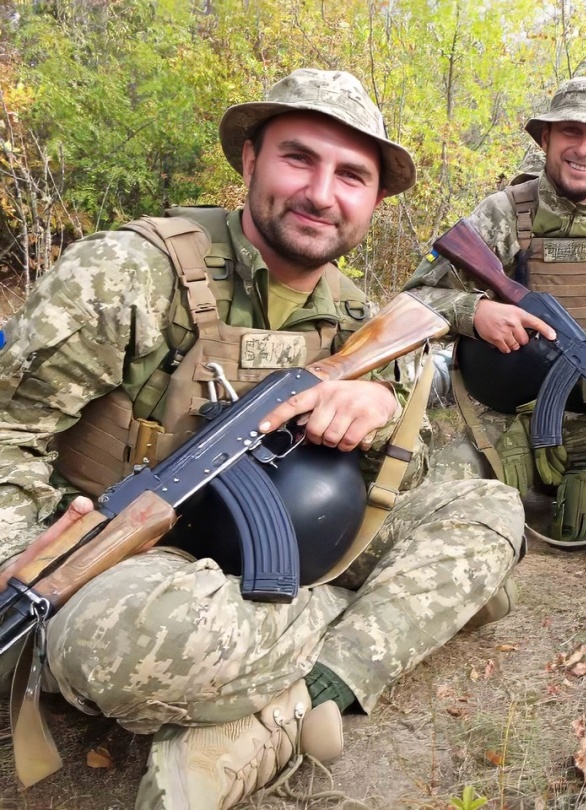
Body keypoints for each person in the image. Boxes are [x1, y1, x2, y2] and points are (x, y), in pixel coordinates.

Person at [0, 69, 524, 808]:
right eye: (298, 158)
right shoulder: (128, 274)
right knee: (118, 645)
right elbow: (11, 431)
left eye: (351, 176)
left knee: (490, 510)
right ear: (250, 159)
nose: (321, 192)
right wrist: (17, 555)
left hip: (296, 537)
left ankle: (295, 704)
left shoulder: (356, 315)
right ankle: (379, 616)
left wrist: (378, 405)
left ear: (374, 201)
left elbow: (416, 467)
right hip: (138, 562)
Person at [405, 77, 586, 566]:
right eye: (570, 132)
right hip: (508, 424)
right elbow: (415, 299)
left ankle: (578, 492)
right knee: (430, 506)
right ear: (546, 138)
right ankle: (536, 495)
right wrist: (475, 312)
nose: (584, 149)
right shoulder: (502, 214)